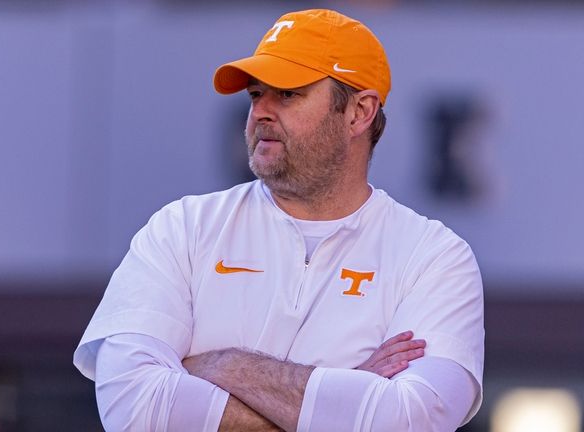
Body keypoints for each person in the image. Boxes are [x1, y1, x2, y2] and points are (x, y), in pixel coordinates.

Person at [74, 8, 484, 432]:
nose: (260, 113)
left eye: (288, 94)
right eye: (255, 94)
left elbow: (412, 420)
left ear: (359, 112)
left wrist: (222, 364)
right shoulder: (182, 228)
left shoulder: (435, 256)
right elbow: (134, 408)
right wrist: (344, 402)